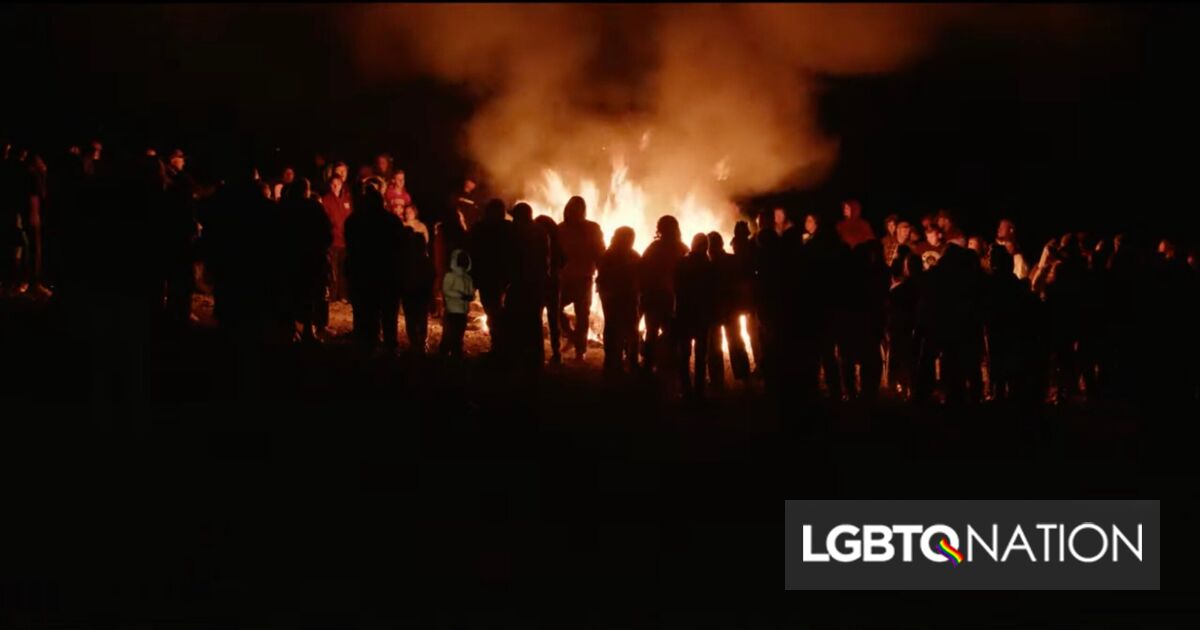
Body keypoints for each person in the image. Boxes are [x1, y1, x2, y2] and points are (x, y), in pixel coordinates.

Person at [344, 186, 405, 352]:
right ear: (382, 202)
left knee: (365, 314)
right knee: (388, 315)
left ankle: (366, 348)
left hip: (363, 276)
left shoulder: (354, 221)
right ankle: (389, 348)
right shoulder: (392, 221)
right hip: (387, 275)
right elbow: (401, 248)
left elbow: (351, 248)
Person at [280, 178, 333, 343]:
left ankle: (290, 330)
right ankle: (308, 331)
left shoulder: (284, 207)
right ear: (306, 191)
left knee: (290, 293)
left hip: (289, 256)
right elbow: (326, 231)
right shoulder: (314, 207)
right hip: (309, 257)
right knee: (308, 294)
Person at [557, 196, 605, 361]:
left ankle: (580, 351)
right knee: (556, 309)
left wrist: (601, 276)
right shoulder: (560, 229)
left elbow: (599, 253)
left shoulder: (592, 229)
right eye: (572, 208)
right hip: (564, 278)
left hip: (584, 278)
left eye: (577, 209)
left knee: (582, 315)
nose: (574, 212)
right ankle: (572, 336)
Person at [639, 215, 688, 372]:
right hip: (670, 298)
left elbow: (643, 268)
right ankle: (666, 364)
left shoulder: (654, 248)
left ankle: (649, 364)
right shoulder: (682, 249)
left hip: (655, 297)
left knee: (652, 332)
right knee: (670, 333)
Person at [505, 202, 550, 370]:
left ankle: (517, 356)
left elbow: (512, 258)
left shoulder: (518, 232)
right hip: (537, 283)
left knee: (516, 318)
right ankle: (534, 359)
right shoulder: (540, 231)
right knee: (534, 322)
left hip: (521, 283)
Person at [468, 198, 514, 354]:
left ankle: (499, 345)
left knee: (494, 310)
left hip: (490, 277)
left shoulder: (480, 228)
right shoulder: (506, 228)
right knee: (496, 311)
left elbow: (471, 251)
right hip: (498, 277)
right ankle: (500, 345)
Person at [674, 233, 716, 399]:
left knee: (685, 354)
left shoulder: (683, 263)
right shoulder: (709, 266)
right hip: (701, 316)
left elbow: (677, 288)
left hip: (686, 314)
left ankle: (686, 389)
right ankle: (698, 390)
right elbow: (713, 292)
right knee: (699, 354)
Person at [706, 231, 750, 388]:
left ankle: (717, 381)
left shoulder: (708, 265)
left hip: (716, 311)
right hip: (731, 310)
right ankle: (744, 376)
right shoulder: (732, 260)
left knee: (715, 345)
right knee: (735, 341)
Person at [596, 226, 641, 374]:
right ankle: (622, 361)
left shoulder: (610, 255)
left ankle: (617, 361)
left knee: (617, 328)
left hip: (618, 297)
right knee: (624, 329)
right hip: (618, 297)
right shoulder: (628, 256)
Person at [400, 218, 434, 356]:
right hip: (418, 295)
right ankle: (419, 342)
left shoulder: (412, 261)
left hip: (413, 295)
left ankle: (417, 342)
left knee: (413, 318)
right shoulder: (421, 262)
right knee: (419, 318)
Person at [534, 214, 565, 365]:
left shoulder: (536, 242)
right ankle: (556, 353)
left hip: (540, 283)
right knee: (554, 319)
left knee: (537, 319)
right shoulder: (557, 243)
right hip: (554, 283)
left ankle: (538, 354)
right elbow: (564, 260)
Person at [320, 174, 353, 307]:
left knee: (344, 270)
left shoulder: (348, 198)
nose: (335, 187)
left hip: (346, 241)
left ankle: (343, 295)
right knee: (333, 271)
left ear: (341, 184)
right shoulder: (326, 200)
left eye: (337, 184)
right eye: (332, 184)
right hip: (333, 241)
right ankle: (333, 296)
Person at [440, 249, 475, 360]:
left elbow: (471, 295)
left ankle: (455, 356)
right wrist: (460, 295)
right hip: (451, 312)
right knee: (447, 335)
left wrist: (468, 297)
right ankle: (443, 356)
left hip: (461, 313)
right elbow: (446, 291)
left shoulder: (467, 279)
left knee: (458, 336)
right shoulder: (450, 277)